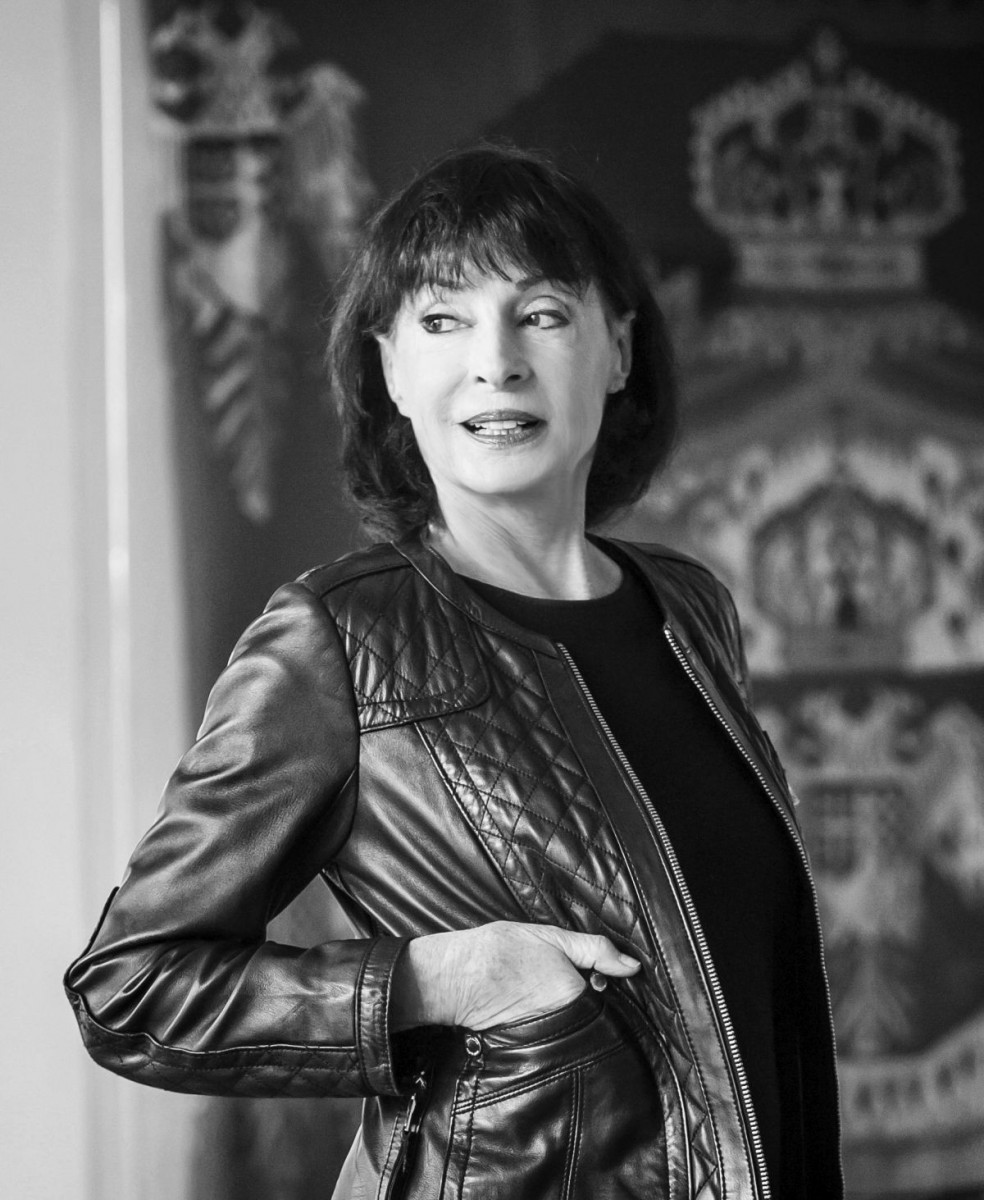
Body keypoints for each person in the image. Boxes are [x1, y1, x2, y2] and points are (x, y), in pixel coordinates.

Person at [65, 144, 841, 1199]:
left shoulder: (688, 606)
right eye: (443, 320)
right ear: (391, 368)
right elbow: (131, 987)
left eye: (542, 314)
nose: (497, 362)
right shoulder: (335, 637)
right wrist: (442, 979)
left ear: (617, 349)